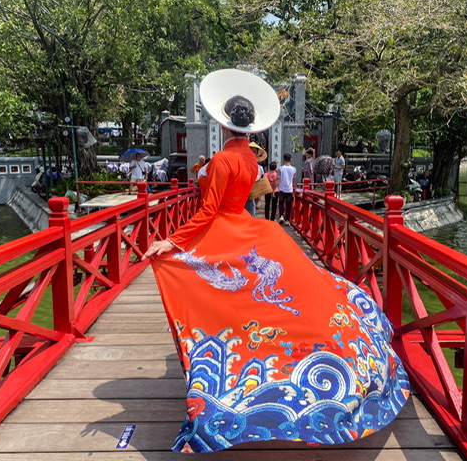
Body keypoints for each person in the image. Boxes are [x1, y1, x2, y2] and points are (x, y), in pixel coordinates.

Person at [142, 68, 409, 454]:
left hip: (223, 229)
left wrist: (170, 239)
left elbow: (208, 211)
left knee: (215, 292)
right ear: (250, 129)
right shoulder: (251, 160)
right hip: (251, 228)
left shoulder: (220, 161)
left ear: (222, 121)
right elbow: (246, 197)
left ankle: (229, 369)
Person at [245, 142, 267, 216]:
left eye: (254, 152)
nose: (252, 153)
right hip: (240, 196)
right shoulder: (241, 164)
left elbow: (261, 178)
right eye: (250, 151)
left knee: (251, 217)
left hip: (252, 196)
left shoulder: (259, 168)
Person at [277, 153, 296, 226]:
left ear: (284, 159)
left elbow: (278, 179)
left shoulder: (280, 168)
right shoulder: (294, 169)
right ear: (291, 159)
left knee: (281, 203)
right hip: (289, 189)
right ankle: (287, 219)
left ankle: (281, 216)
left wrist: (273, 189)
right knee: (288, 205)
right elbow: (293, 180)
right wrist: (293, 187)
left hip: (281, 188)